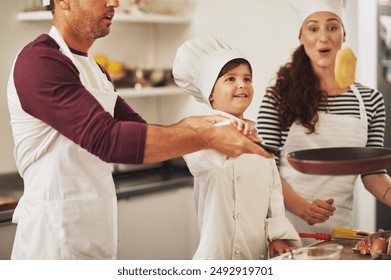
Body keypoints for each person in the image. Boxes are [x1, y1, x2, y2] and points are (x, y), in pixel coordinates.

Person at [6, 0, 272, 260]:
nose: (115, 3)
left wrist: (195, 125)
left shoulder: (96, 71)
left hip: (94, 234)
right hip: (50, 242)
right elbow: (107, 140)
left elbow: (138, 130)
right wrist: (206, 136)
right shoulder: (39, 61)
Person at [257, 0, 391, 245]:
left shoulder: (371, 100)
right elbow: (265, 170)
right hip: (286, 232)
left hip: (342, 234)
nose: (323, 38)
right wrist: (302, 208)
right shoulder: (278, 96)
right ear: (301, 37)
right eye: (313, 28)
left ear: (343, 35)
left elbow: (372, 172)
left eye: (332, 27)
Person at [172, 37, 301, 259]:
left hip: (254, 256)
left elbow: (273, 194)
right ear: (210, 93)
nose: (241, 84)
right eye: (230, 78)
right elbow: (199, 159)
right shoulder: (200, 135)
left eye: (247, 78)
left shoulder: (258, 139)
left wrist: (277, 236)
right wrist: (225, 136)